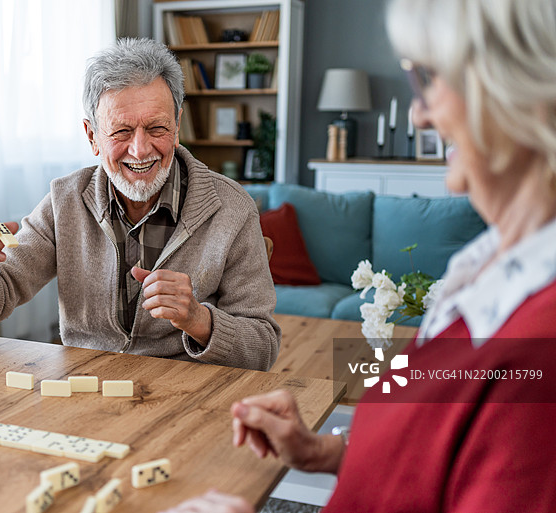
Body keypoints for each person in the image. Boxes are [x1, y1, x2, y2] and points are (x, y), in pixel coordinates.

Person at [162, 0, 556, 511]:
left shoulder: (539, 347)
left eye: (428, 79)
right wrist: (323, 450)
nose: (419, 112)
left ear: (517, 89)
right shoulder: (484, 267)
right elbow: (434, 450)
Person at [0, 38, 280, 371]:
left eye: (157, 128)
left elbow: (263, 347)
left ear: (177, 126)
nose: (140, 149)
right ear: (91, 136)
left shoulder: (233, 208)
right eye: (121, 131)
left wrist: (197, 319)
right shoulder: (64, 201)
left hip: (190, 399)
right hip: (90, 392)